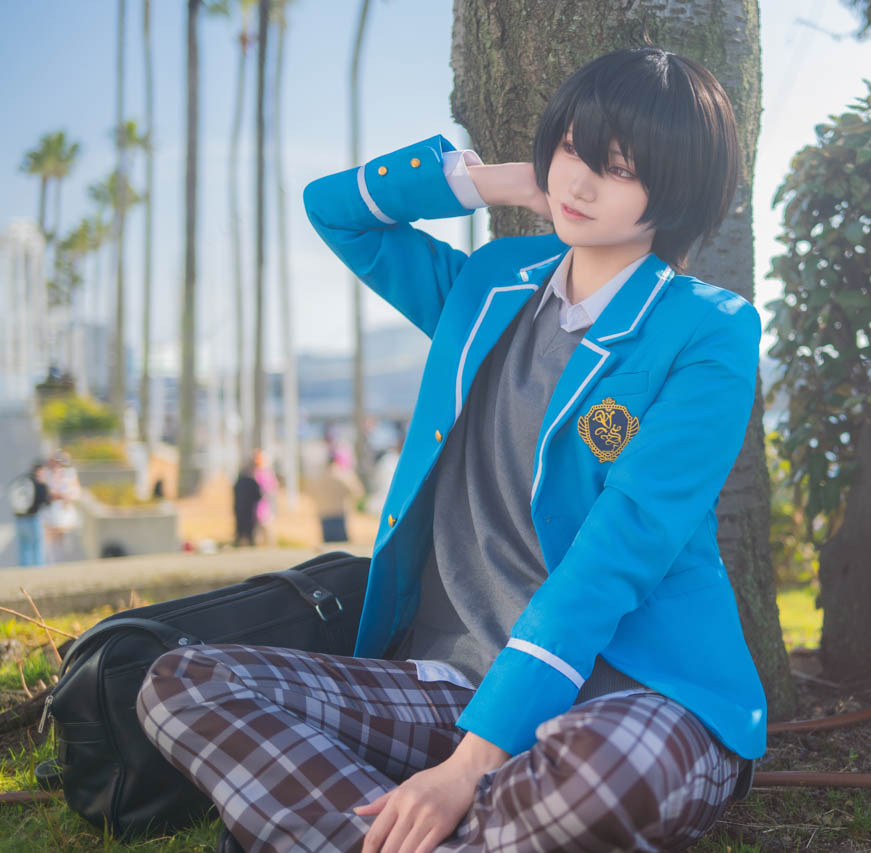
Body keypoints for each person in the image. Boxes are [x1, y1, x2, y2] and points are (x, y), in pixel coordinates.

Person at [137, 47, 764, 853]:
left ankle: (361, 827)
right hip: (455, 680)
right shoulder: (493, 280)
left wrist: (467, 766)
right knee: (187, 681)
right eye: (571, 148)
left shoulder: (708, 329)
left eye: (618, 169)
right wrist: (489, 183)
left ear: (676, 190)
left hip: (634, 694)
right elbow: (336, 210)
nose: (577, 184)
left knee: (606, 773)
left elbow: (619, 550)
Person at [311, 452, 365, 543]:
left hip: (324, 515)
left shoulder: (319, 477)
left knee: (328, 546)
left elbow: (312, 493)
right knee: (342, 545)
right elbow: (358, 492)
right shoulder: (342, 475)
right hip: (338, 515)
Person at [9, 460, 51, 566]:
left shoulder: (21, 480)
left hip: (19, 518)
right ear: (40, 471)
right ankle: (38, 568)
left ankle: (24, 567)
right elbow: (46, 501)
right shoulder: (39, 484)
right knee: (37, 545)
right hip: (33, 518)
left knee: (24, 546)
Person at [43, 451, 81, 563]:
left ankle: (61, 561)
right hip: (52, 508)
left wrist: (67, 496)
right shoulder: (48, 474)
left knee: (63, 538)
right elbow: (47, 492)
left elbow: (76, 491)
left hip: (64, 508)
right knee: (52, 538)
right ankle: (53, 561)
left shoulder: (69, 474)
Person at [251, 448, 279, 546]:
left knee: (266, 525)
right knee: (258, 527)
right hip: (257, 504)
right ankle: (258, 545)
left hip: (265, 503)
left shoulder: (266, 472)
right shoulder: (256, 472)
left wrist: (266, 493)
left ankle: (271, 545)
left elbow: (273, 488)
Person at [231, 464, 263, 547]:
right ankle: (251, 542)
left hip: (239, 508)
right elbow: (258, 496)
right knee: (250, 527)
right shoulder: (252, 482)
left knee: (239, 526)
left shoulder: (238, 482)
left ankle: (238, 542)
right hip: (250, 509)